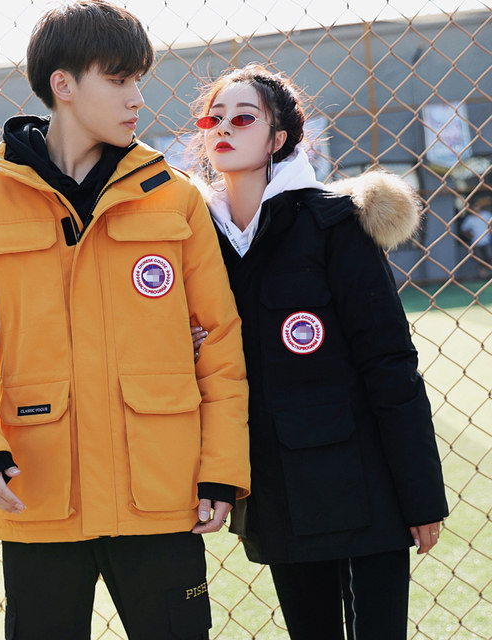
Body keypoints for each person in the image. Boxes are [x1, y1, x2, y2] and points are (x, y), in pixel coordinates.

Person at [0, 3, 250, 639]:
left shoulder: (174, 196)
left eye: (138, 80)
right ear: (63, 85)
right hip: (38, 489)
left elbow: (220, 340)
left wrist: (221, 467)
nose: (137, 98)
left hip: (161, 493)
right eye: (119, 79)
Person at [189, 64, 448, 640]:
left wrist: (420, 496)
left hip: (364, 488)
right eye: (214, 118)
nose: (223, 128)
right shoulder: (196, 239)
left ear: (278, 139)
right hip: (276, 489)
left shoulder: (334, 224)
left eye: (244, 118)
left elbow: (389, 363)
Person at [460, 196, 492, 278]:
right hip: (476, 242)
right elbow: (463, 229)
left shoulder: (486, 215)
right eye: (474, 206)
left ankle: (489, 274)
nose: (476, 208)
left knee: (489, 257)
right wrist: (470, 236)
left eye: (477, 206)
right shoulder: (469, 219)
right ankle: (483, 275)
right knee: (479, 259)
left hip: (487, 241)